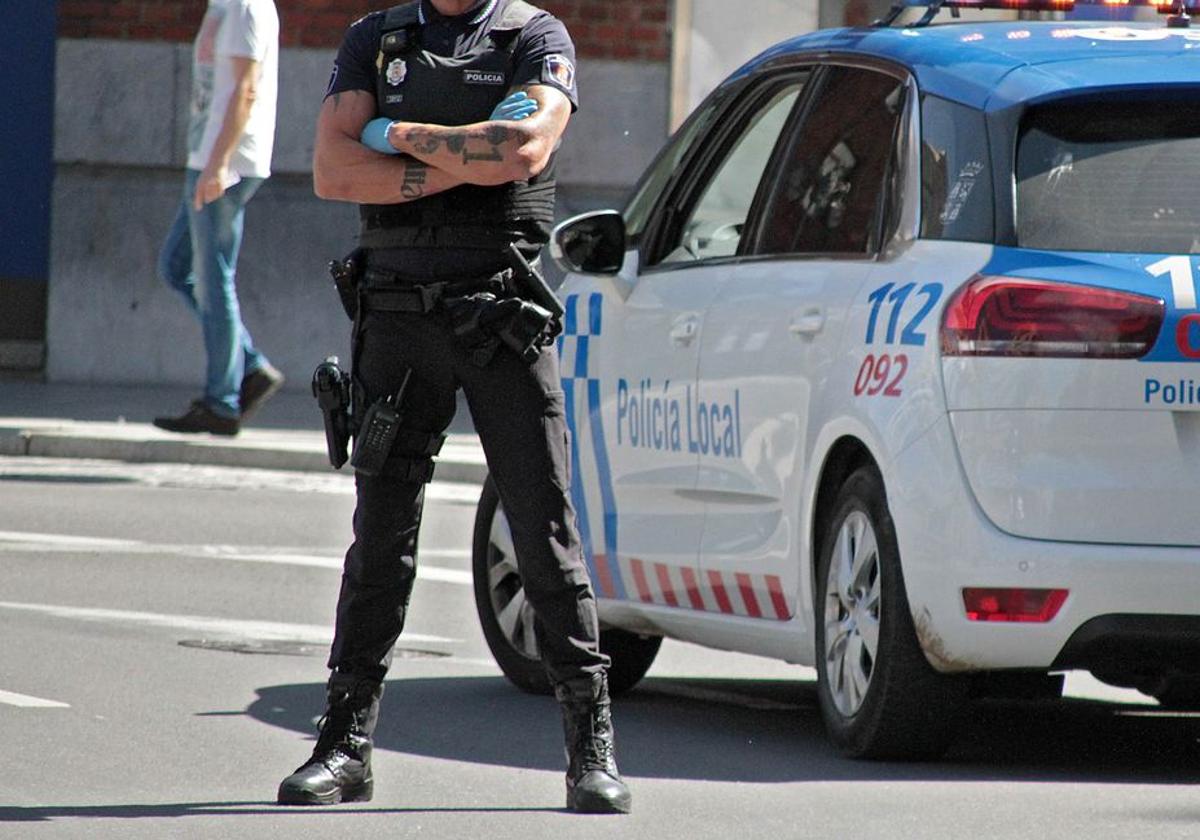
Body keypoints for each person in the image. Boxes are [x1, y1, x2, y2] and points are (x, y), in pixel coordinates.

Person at [275, 0, 632, 815]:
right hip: (396, 316)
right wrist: (468, 152)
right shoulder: (380, 38)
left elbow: (524, 149)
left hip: (498, 315)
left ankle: (590, 751)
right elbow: (332, 173)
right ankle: (344, 747)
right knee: (381, 542)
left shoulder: (533, 38)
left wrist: (393, 137)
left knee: (543, 528)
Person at [154, 0, 284, 437]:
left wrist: (218, 165)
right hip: (207, 158)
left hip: (224, 164)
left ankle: (222, 402)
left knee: (214, 279)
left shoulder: (247, 7)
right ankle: (248, 366)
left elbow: (246, 87)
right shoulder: (225, 4)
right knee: (176, 266)